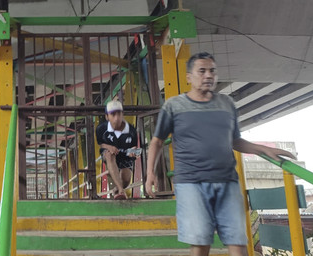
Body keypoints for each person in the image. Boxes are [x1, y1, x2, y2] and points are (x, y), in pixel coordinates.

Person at [145, 52, 296, 256]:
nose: (208, 75)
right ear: (189, 77)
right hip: (191, 183)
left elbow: (235, 141)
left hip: (228, 182)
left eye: (212, 71)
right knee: (200, 243)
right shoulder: (174, 106)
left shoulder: (227, 104)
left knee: (238, 242)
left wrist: (263, 149)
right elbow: (157, 141)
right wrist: (150, 174)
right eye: (202, 71)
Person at [96, 100, 139, 200]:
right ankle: (121, 191)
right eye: (113, 114)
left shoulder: (132, 131)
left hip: (125, 155)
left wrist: (134, 152)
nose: (116, 118)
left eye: (119, 114)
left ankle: (117, 189)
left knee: (126, 181)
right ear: (107, 116)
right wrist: (109, 146)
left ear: (122, 114)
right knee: (109, 155)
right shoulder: (101, 129)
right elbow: (100, 144)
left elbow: (135, 148)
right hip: (110, 154)